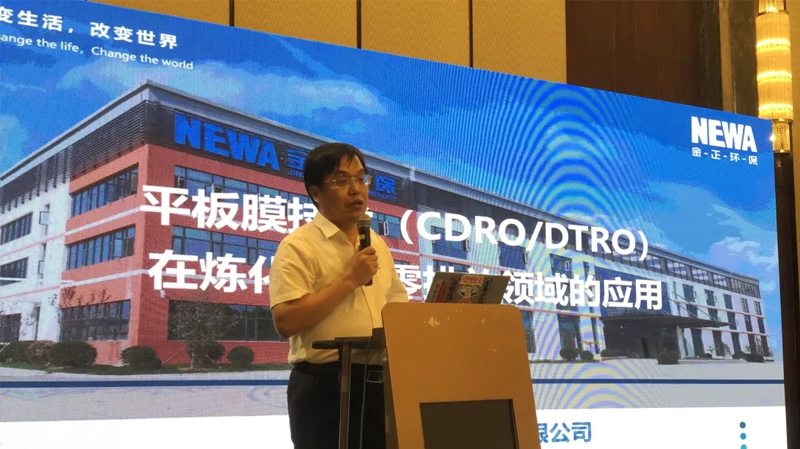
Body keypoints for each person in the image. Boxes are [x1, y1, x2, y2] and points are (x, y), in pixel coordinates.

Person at [269, 142, 409, 449]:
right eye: (341, 181)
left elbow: (398, 310)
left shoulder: (376, 243)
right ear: (316, 193)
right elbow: (286, 321)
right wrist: (349, 281)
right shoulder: (298, 246)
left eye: (361, 179)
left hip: (379, 382)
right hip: (324, 386)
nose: (356, 189)